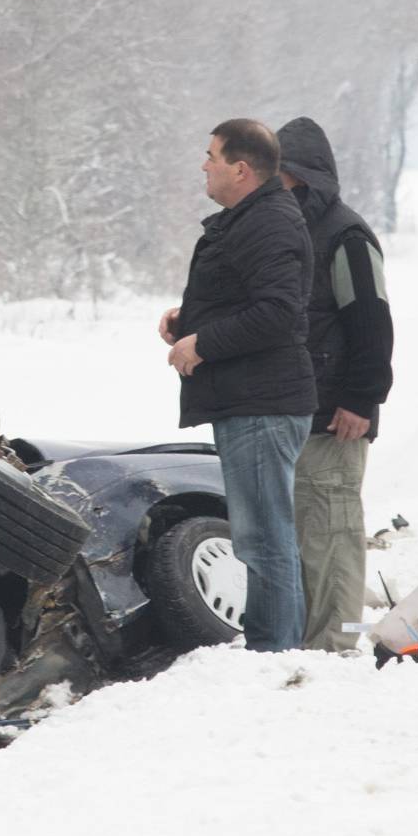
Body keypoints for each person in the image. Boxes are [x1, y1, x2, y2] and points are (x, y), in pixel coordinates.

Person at [161, 118, 316, 650]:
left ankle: (273, 652)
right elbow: (250, 298)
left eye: (212, 156)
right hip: (250, 399)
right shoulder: (250, 218)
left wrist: (202, 345)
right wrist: (190, 321)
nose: (204, 165)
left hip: (263, 403)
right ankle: (272, 644)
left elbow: (277, 312)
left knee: (263, 538)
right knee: (261, 535)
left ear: (242, 169)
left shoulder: (268, 221)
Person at [277, 116, 395, 652]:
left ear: (299, 175)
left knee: (335, 536)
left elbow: (372, 321)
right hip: (298, 409)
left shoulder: (345, 234)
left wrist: (360, 400)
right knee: (308, 538)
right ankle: (313, 639)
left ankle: (339, 643)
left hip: (337, 418)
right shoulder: (291, 228)